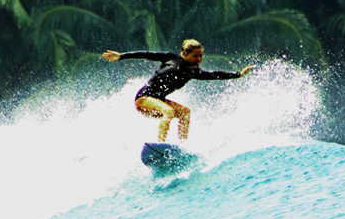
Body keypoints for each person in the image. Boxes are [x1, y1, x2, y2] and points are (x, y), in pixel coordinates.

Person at [102, 39, 254, 142]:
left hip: (158, 102)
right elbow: (146, 54)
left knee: (185, 113)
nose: (199, 59)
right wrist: (121, 56)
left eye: (201, 56)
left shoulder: (193, 71)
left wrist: (238, 74)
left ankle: (181, 146)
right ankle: (160, 145)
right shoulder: (170, 58)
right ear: (185, 53)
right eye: (195, 56)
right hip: (144, 98)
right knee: (168, 112)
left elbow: (214, 75)